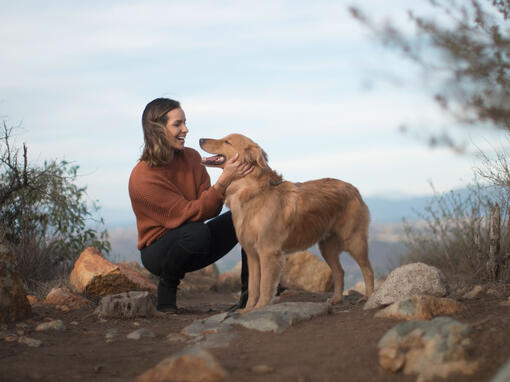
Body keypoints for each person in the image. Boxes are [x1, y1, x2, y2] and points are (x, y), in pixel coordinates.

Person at [128, 97, 251, 313]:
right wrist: (223, 180)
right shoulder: (143, 178)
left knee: (247, 216)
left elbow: (211, 208)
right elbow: (188, 214)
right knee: (195, 232)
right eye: (177, 124)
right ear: (157, 129)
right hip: (158, 251)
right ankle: (166, 294)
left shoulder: (192, 158)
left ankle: (250, 295)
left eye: (185, 123)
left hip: (196, 239)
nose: (185, 129)